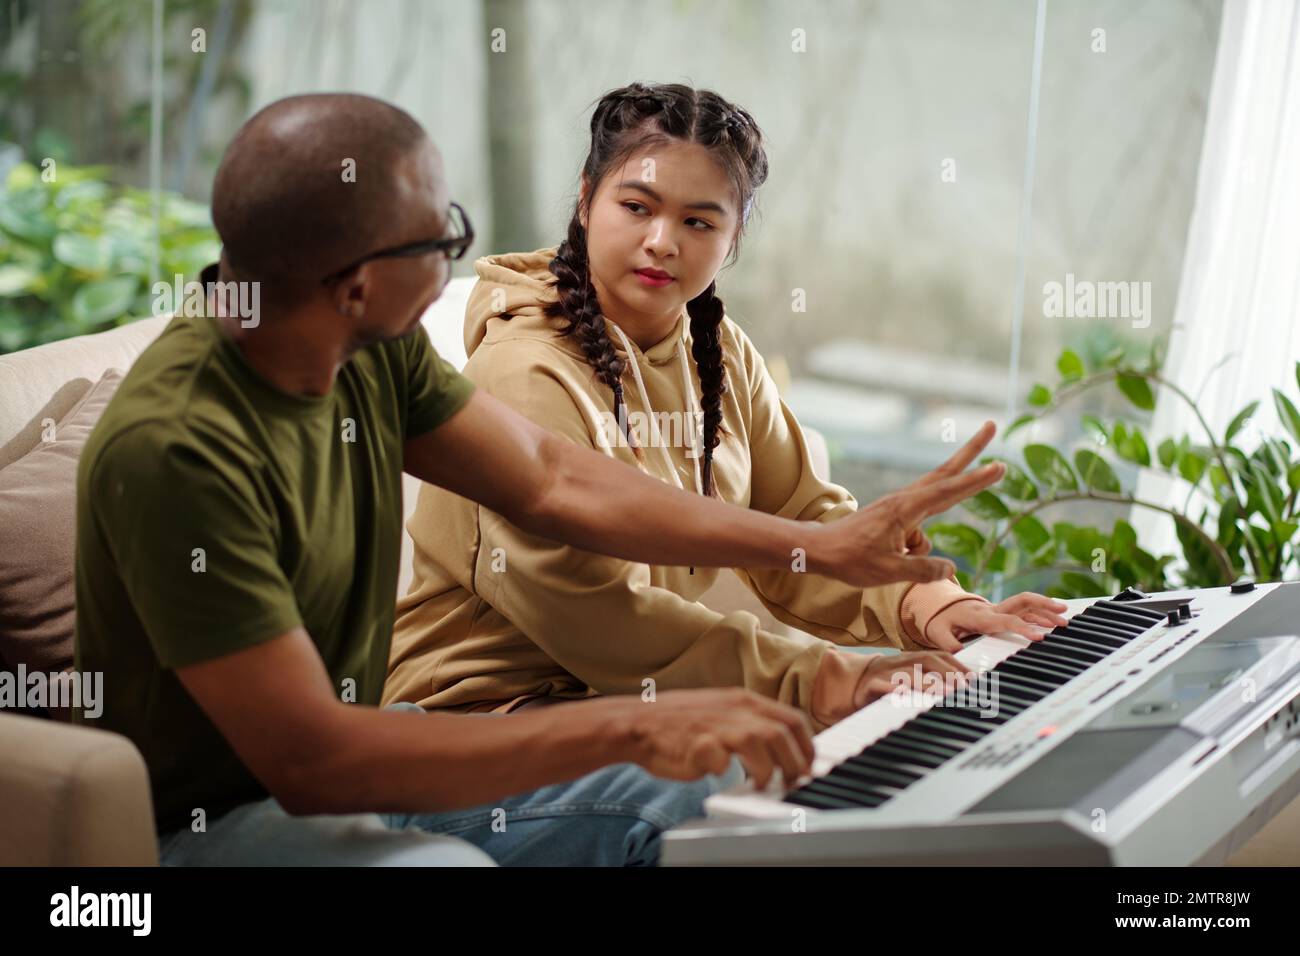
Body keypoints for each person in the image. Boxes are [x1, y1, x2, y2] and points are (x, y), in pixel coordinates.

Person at [74, 92, 998, 867]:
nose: (457, 260)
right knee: (690, 802)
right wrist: (639, 729)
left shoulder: (365, 348)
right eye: (440, 237)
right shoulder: (178, 451)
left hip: (369, 760)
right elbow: (317, 763)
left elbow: (557, 481)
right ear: (356, 282)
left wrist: (823, 545)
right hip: (216, 825)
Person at [386, 82, 1067, 734]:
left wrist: (935, 605)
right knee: (792, 773)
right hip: (485, 713)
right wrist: (830, 682)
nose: (662, 241)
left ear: (733, 238)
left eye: (698, 220)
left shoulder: (718, 352)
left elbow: (799, 522)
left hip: (634, 701)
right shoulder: (524, 371)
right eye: (637, 207)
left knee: (925, 730)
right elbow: (598, 617)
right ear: (586, 202)